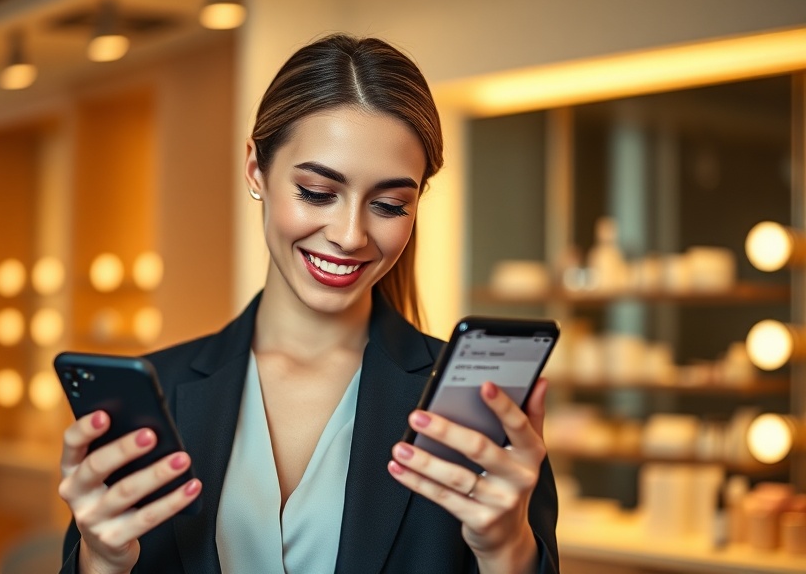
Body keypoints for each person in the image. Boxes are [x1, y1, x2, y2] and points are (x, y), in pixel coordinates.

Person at [57, 33, 558, 574]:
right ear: (256, 170)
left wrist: (506, 551)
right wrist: (101, 562)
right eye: (318, 192)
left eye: (389, 205)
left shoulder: (475, 410)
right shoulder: (162, 391)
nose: (349, 235)